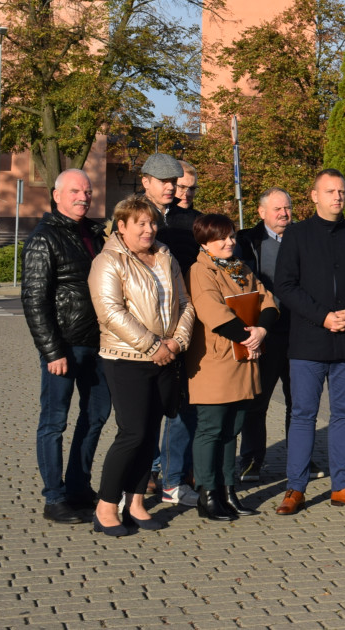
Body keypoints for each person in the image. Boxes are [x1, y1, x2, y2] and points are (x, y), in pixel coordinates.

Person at [272, 169, 345, 515]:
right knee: (303, 415)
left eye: (342, 191)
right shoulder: (297, 235)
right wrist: (322, 316)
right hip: (308, 341)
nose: (338, 196)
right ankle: (295, 488)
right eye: (330, 191)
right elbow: (285, 285)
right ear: (314, 196)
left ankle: (342, 485)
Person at [88, 195, 195, 536]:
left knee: (150, 434)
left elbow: (185, 302)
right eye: (141, 224)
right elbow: (110, 311)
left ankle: (136, 503)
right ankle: (106, 507)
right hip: (127, 359)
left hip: (166, 356)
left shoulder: (165, 255)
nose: (149, 229)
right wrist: (153, 346)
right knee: (131, 434)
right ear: (121, 226)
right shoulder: (108, 261)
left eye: (151, 223)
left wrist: (177, 342)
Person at [22, 168, 111, 524]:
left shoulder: (93, 233)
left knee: (95, 417)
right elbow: (34, 299)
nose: (83, 197)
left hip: (100, 345)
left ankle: (78, 486)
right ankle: (54, 498)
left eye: (87, 192)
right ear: (56, 195)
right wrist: (51, 351)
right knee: (54, 422)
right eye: (75, 191)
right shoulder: (44, 238)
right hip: (64, 347)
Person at [186, 213, 279, 521]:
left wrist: (261, 330)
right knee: (211, 429)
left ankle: (228, 491)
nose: (229, 242)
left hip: (244, 358)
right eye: (221, 238)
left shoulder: (240, 268)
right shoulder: (200, 271)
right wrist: (248, 338)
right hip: (217, 362)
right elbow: (212, 312)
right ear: (205, 242)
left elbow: (267, 300)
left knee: (232, 430)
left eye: (231, 236)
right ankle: (207, 494)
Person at [139, 153, 201, 507]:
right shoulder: (131, 217)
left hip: (183, 325)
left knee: (182, 405)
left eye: (176, 182)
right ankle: (144, 473)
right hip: (144, 333)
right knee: (144, 411)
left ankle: (173, 477)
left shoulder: (190, 222)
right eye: (167, 181)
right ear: (146, 181)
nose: (174, 188)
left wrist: (181, 334)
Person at [234, 188, 293, 483]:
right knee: (258, 401)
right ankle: (251, 460)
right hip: (264, 333)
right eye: (277, 209)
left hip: (298, 333)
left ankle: (299, 460)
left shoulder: (301, 238)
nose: (284, 214)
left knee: (301, 404)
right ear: (261, 212)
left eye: (287, 208)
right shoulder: (245, 241)